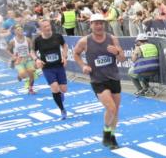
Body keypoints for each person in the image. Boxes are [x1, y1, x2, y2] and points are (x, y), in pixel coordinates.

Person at [73, 14, 126, 149]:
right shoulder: (84, 41)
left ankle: (110, 134)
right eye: (96, 23)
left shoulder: (112, 38)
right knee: (111, 108)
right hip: (98, 80)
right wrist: (83, 66)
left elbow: (122, 59)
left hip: (113, 77)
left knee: (115, 111)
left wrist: (117, 52)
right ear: (90, 25)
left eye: (101, 23)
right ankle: (108, 134)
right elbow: (75, 54)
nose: (99, 26)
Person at [33, 18, 69, 119]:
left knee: (63, 89)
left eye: (48, 26)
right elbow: (32, 52)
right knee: (54, 87)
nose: (48, 28)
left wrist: (64, 56)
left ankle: (59, 93)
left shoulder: (58, 36)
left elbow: (65, 45)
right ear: (41, 29)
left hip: (59, 66)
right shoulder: (38, 40)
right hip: (47, 68)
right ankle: (62, 110)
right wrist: (37, 60)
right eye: (45, 27)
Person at [8, 25, 37, 94]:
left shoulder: (27, 39)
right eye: (18, 30)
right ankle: (19, 76)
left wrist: (32, 55)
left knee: (31, 75)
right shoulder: (12, 41)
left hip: (28, 59)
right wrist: (13, 56)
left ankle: (30, 89)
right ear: (15, 31)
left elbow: (32, 49)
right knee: (23, 75)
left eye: (21, 29)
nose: (20, 31)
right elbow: (8, 50)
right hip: (19, 61)